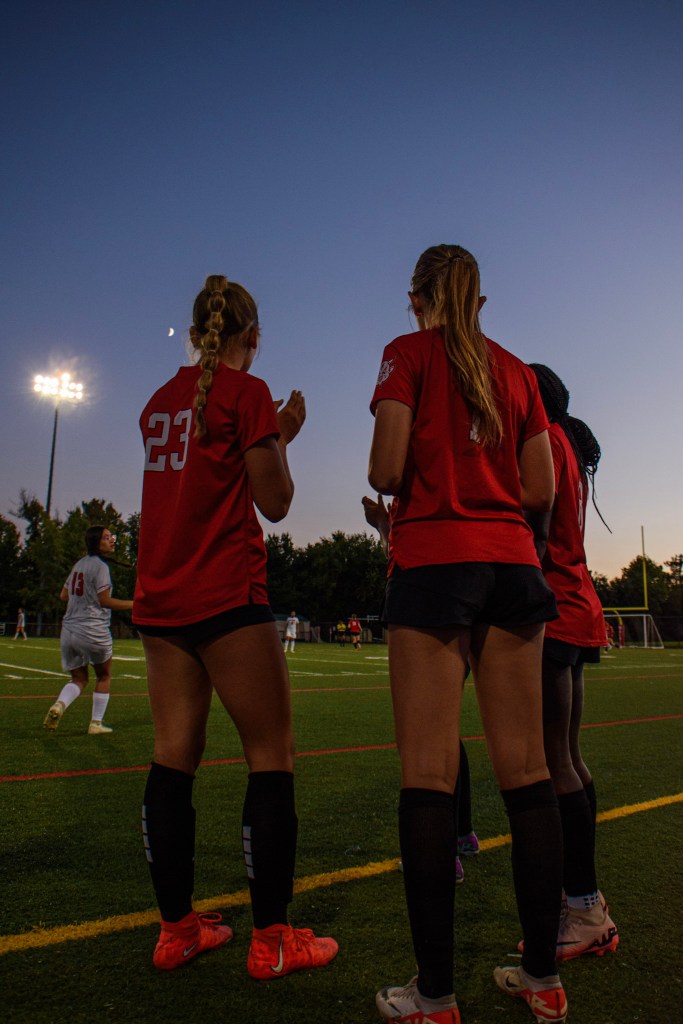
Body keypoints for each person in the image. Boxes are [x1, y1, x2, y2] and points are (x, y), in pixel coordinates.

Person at [368, 245, 565, 1024]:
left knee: (427, 775)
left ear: (416, 297)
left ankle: (435, 996)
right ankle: (544, 980)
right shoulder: (516, 371)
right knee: (528, 771)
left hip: (433, 561)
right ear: (479, 300)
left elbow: (386, 469)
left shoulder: (407, 353)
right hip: (512, 566)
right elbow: (540, 488)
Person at [132, 274, 338, 978]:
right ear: (252, 337)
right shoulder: (248, 394)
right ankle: (273, 940)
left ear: (195, 334)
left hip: (162, 599)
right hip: (223, 593)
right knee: (271, 756)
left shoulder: (157, 402)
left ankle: (177, 931)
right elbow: (274, 501)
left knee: (171, 757)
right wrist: (282, 435)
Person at [526, 364, 618, 962]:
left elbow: (534, 530)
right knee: (570, 758)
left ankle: (582, 908)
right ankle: (587, 905)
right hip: (579, 603)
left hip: (555, 607)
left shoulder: (546, 444)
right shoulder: (567, 443)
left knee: (553, 761)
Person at [362, 493, 480, 886]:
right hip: (472, 581)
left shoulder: (422, 481)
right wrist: (383, 524)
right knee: (444, 728)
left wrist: (384, 526)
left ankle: (443, 852)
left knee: (426, 733)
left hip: (432, 592)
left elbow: (410, 549)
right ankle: (462, 833)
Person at [43, 526, 133, 735]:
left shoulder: (79, 564)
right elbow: (105, 601)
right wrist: (134, 604)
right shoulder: (101, 567)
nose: (112, 540)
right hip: (93, 629)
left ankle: (59, 705)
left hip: (69, 630)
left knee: (79, 679)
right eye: (107, 537)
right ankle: (96, 723)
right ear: (96, 542)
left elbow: (63, 595)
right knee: (104, 676)